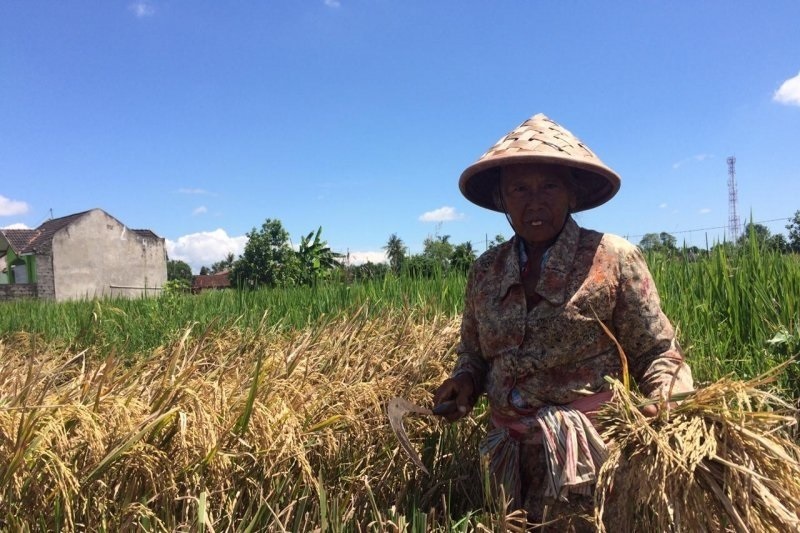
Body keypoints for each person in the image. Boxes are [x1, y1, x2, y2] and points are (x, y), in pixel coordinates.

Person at [433, 114, 693, 531]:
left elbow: (659, 353)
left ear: (572, 192)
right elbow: (474, 354)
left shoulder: (611, 258)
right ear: (501, 198)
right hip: (506, 466)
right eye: (519, 188)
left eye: (549, 186)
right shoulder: (486, 270)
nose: (534, 201)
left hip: (587, 464)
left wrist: (661, 406)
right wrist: (464, 381)